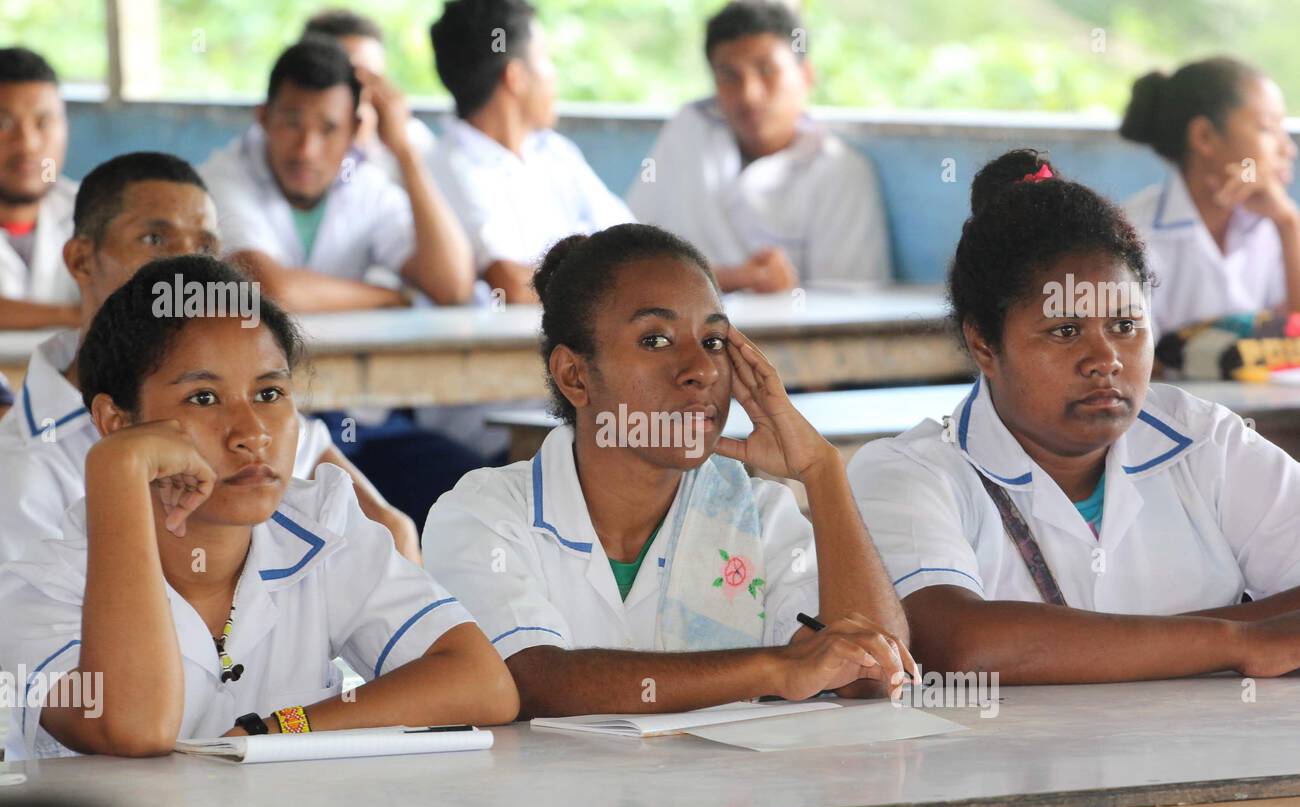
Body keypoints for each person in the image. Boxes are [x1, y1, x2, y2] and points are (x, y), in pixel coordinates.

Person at [0, 255, 518, 760]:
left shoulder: (321, 528)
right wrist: (115, 471)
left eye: (270, 392)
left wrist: (281, 728)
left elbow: (482, 682)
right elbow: (136, 728)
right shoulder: (41, 590)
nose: (251, 433)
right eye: (204, 398)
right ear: (115, 421)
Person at [423, 223, 913, 718]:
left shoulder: (757, 517)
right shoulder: (484, 514)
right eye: (655, 340)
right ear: (574, 375)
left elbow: (872, 674)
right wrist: (778, 668)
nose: (700, 370)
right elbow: (531, 678)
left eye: (714, 341)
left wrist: (821, 470)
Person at [850, 149, 1300, 685]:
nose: (1106, 359)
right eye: (1065, 332)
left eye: (1126, 326)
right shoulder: (909, 472)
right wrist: (1243, 641)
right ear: (984, 343)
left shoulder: (1206, 441)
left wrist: (1088, 649)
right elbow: (954, 642)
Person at [0, 151, 421, 565]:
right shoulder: (26, 467)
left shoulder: (256, 409)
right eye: (154, 239)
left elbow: (386, 530)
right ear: (80, 259)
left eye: (204, 244)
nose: (187, 266)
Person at [626, 1, 890, 292]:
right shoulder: (690, 130)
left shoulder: (840, 172)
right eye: (730, 76)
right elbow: (625, 258)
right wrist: (738, 278)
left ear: (806, 76)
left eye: (766, 70)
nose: (749, 95)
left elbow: (849, 308)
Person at [201, 38, 473, 311]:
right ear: (263, 118)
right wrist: (390, 296)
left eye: (328, 128)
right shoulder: (223, 180)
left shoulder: (365, 186)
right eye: (293, 124)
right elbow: (267, 290)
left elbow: (452, 286)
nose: (307, 150)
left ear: (354, 131)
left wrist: (404, 153)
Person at [428, 0, 633, 304]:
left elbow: (636, 245)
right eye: (546, 58)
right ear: (516, 76)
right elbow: (511, 283)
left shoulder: (555, 152)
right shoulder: (448, 166)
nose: (554, 76)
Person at [1121, 58, 1300, 335]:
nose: (1288, 149)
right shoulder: (1129, 236)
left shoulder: (1273, 224)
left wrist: (1289, 223)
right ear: (1204, 137)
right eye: (1267, 128)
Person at [301, 8, 439, 185]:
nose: (366, 92)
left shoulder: (411, 139)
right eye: (353, 78)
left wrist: (402, 151)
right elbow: (340, 205)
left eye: (375, 80)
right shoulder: (288, 140)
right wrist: (351, 148)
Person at [0, 47, 79, 332]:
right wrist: (72, 314)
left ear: (65, 129)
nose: (27, 144)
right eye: (4, 123)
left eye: (43, 122)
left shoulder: (92, 210)